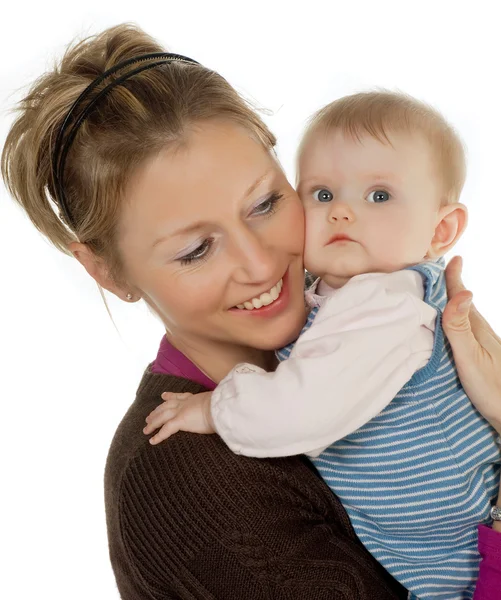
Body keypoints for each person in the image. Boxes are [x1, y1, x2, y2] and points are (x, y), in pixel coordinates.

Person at [2, 23, 501, 600]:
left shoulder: (369, 309)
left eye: (266, 203)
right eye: (196, 250)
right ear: (106, 272)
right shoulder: (190, 485)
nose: (261, 265)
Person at [145, 91, 500, 599]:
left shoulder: (385, 304)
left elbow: (302, 408)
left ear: (440, 229)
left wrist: (216, 408)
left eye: (379, 196)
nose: (342, 214)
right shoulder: (340, 295)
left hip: (449, 541)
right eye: (322, 194)